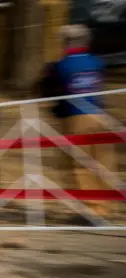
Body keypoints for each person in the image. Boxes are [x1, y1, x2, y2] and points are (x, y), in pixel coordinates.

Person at [40, 24, 115, 219]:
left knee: (79, 164)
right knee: (102, 161)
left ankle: (92, 210)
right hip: (100, 114)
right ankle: (105, 206)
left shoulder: (60, 66)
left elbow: (49, 91)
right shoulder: (97, 62)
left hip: (74, 116)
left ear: (66, 43)